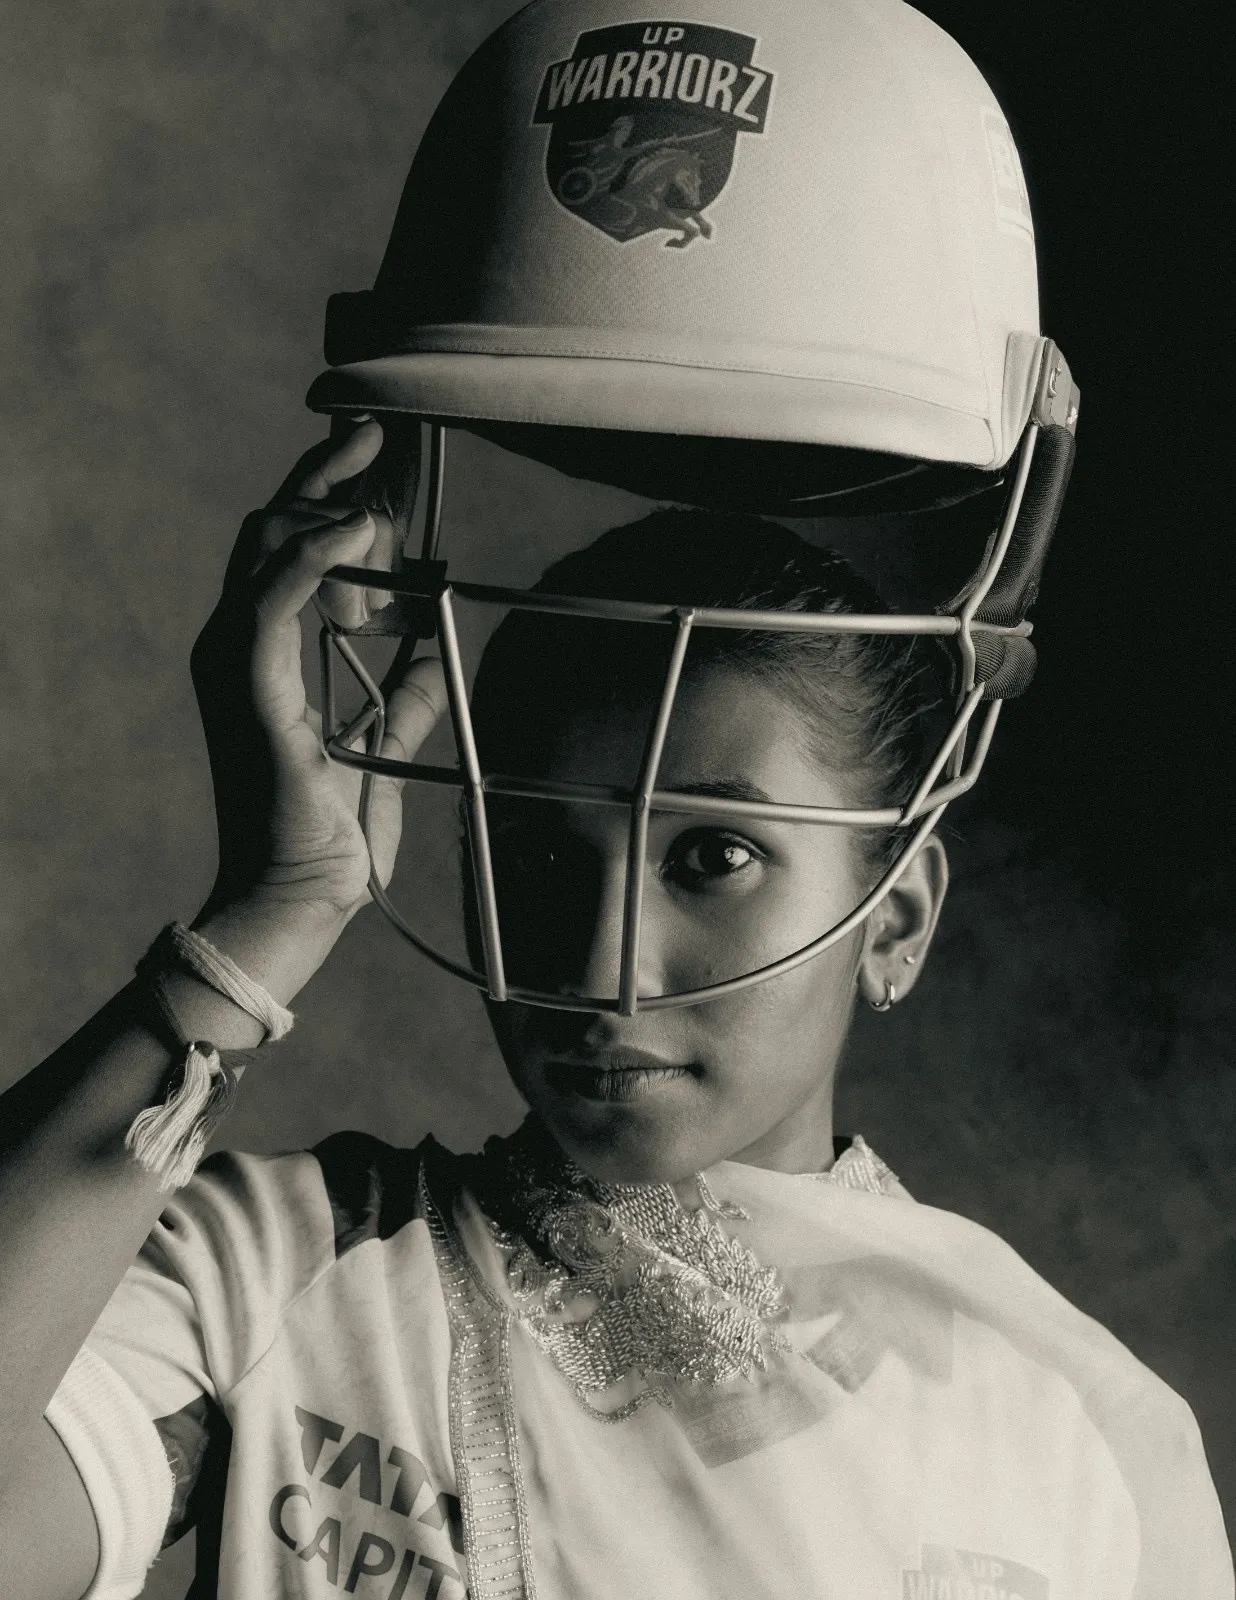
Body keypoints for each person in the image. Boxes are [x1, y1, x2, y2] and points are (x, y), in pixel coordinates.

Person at [1, 1, 1230, 1597]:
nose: (605, 957)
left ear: (897, 918)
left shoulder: (1059, 1436)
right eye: (533, 846)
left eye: (715, 854)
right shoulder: (289, 1277)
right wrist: (267, 917)